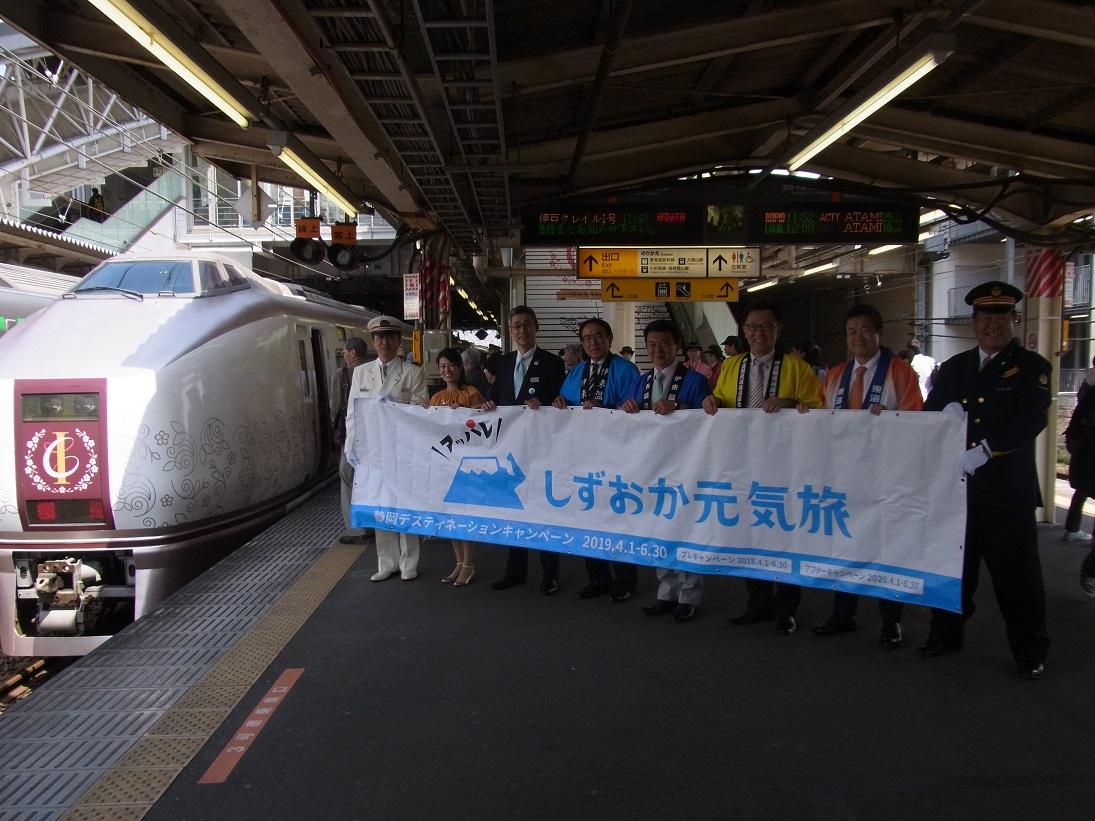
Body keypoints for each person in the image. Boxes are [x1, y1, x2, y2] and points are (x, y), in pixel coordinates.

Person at [919, 281, 1051, 680]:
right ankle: (946, 634)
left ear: (1012, 320)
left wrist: (988, 449)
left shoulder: (1032, 367)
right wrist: (946, 412)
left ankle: (1030, 651)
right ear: (973, 322)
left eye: (1001, 316)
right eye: (985, 317)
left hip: (1006, 492)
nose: (993, 324)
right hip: (957, 492)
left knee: (1017, 579)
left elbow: (1031, 418)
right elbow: (929, 414)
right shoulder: (954, 367)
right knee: (952, 572)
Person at [798, 305, 923, 649]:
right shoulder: (836, 374)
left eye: (865, 330)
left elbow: (916, 422)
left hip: (886, 478)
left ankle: (891, 622)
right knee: (843, 546)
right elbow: (825, 421)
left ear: (879, 332)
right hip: (843, 477)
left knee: (888, 549)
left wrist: (892, 418)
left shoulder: (901, 373)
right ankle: (842, 615)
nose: (858, 337)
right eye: (851, 331)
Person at [702, 300, 823, 635]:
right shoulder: (730, 366)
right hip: (741, 466)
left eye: (765, 326)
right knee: (749, 533)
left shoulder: (799, 369)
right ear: (743, 331)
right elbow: (721, 402)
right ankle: (757, 603)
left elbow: (819, 410)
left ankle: (787, 609)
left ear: (777, 330)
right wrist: (711, 402)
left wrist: (789, 404)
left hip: (784, 468)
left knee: (784, 536)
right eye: (751, 327)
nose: (757, 333)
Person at [621, 319, 711, 621]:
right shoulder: (641, 381)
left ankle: (689, 595)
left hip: (686, 464)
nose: (657, 349)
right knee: (659, 529)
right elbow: (629, 414)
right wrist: (629, 407)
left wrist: (680, 405)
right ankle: (666, 591)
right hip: (652, 464)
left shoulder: (694, 381)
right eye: (652, 344)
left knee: (684, 527)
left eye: (664, 343)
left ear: (677, 346)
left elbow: (709, 419)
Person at [554, 317, 641, 601]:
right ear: (581, 342)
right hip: (582, 455)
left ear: (610, 338)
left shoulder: (626, 370)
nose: (593, 342)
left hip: (616, 454)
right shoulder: (577, 371)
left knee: (617, 516)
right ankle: (598, 578)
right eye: (587, 338)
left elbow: (634, 408)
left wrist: (609, 409)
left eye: (598, 336)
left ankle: (625, 580)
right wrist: (560, 403)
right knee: (588, 517)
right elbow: (566, 401)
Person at [482, 306, 567, 595]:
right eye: (516, 326)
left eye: (527, 325)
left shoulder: (553, 363)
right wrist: (488, 405)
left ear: (536, 327)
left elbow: (560, 401)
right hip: (511, 450)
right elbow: (496, 397)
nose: (521, 331)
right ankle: (515, 572)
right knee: (514, 510)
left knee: (543, 511)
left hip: (542, 450)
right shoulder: (503, 363)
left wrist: (544, 404)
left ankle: (550, 574)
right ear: (510, 330)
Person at [344, 315, 429, 582]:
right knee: (380, 504)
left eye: (389, 337)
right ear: (373, 342)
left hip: (402, 450)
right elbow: (352, 412)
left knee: (404, 504)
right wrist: (351, 446)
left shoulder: (412, 372)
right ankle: (387, 561)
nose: (384, 342)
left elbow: (421, 411)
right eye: (379, 338)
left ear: (397, 340)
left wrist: (391, 407)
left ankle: (409, 561)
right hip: (373, 451)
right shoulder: (361, 372)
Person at [430, 348, 487, 587]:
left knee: (465, 515)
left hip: (467, 464)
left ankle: (469, 564)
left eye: (451, 365)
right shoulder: (435, 399)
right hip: (445, 464)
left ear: (460, 368)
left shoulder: (472, 394)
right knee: (451, 516)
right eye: (442, 366)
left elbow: (484, 425)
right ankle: (458, 562)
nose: (446, 370)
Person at [334, 337, 370, 545]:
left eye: (345, 352)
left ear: (353, 353)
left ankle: (356, 530)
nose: (343, 355)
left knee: (347, 477)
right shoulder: (372, 372)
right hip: (373, 436)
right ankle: (372, 524)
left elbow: (334, 407)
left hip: (352, 435)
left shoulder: (342, 375)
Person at [1063, 355, 1095, 541]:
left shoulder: (1086, 383)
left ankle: (1072, 528)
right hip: (1090, 448)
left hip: (1082, 447)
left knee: (1082, 489)